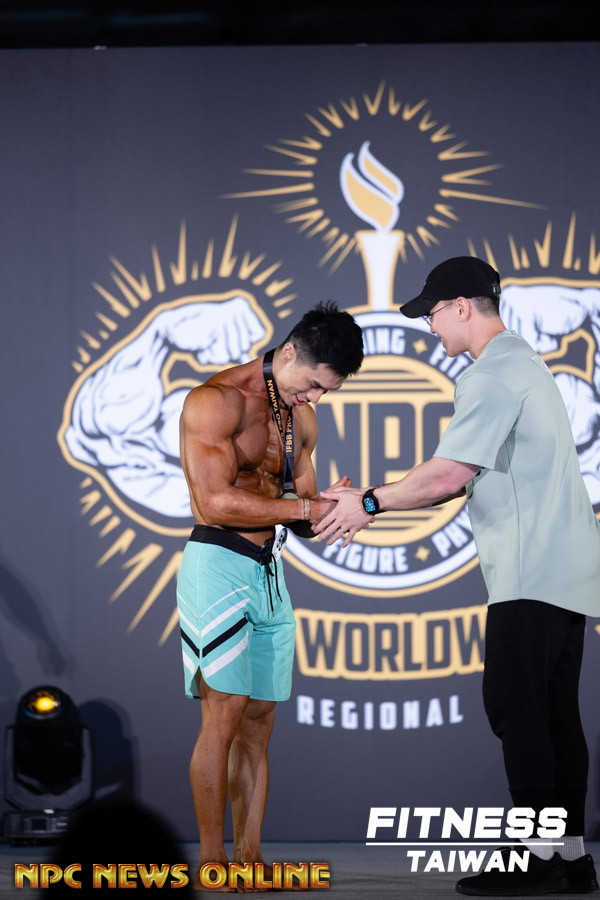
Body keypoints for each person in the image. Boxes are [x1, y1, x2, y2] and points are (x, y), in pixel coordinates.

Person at [313, 257, 600, 896]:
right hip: (568, 570)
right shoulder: (528, 364)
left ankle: (535, 860)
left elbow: (449, 474)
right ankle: (569, 858)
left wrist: (367, 503)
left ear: (463, 306)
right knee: (555, 716)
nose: (431, 327)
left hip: (529, 569)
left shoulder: (491, 374)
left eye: (434, 313)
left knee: (517, 709)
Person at [176, 300, 363, 890]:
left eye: (326, 391)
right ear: (287, 353)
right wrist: (304, 507)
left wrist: (330, 509)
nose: (315, 399)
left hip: (269, 573)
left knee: (259, 723)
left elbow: (300, 514)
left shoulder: (301, 419)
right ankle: (213, 860)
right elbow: (214, 502)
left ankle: (250, 858)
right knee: (224, 714)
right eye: (312, 384)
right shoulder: (215, 401)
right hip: (218, 565)